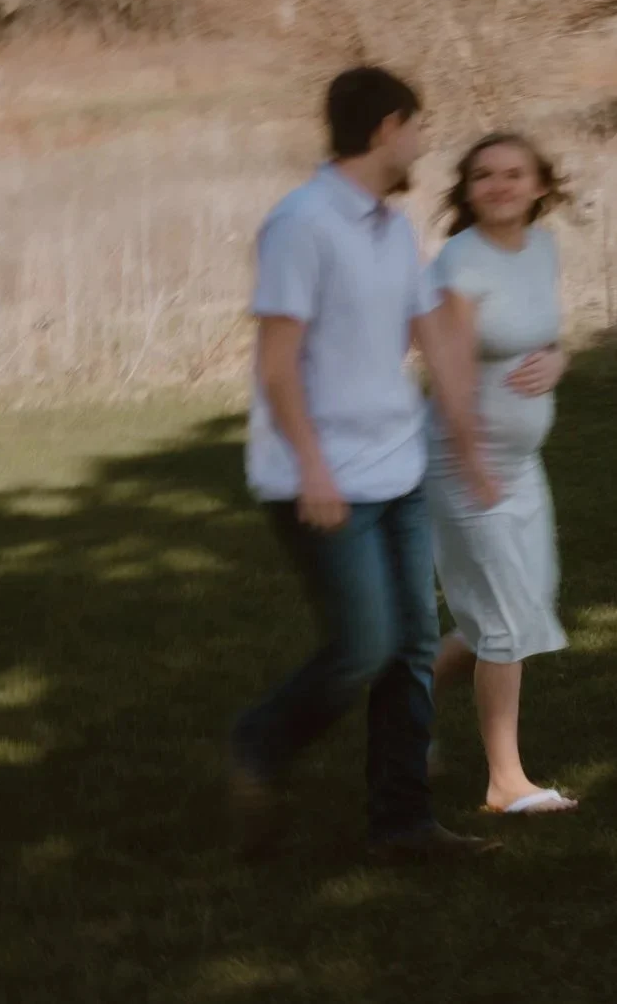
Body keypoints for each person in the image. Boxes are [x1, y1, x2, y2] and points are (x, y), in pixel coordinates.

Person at [230, 66, 501, 864]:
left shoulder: (391, 227)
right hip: (317, 479)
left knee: (411, 646)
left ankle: (403, 823)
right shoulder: (301, 223)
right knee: (361, 646)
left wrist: (468, 447)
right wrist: (313, 466)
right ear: (387, 127)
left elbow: (435, 343)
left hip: (398, 468)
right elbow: (275, 363)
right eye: (416, 126)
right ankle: (258, 743)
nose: (422, 142)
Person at [426, 132, 578, 817]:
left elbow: (542, 336)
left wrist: (559, 362)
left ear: (540, 184)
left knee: (524, 604)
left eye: (514, 173)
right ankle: (505, 783)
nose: (499, 184)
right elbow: (447, 371)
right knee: (506, 624)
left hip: (521, 463)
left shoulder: (542, 248)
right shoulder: (459, 261)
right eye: (483, 174)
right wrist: (472, 462)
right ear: (466, 189)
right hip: (468, 461)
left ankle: (404, 704)